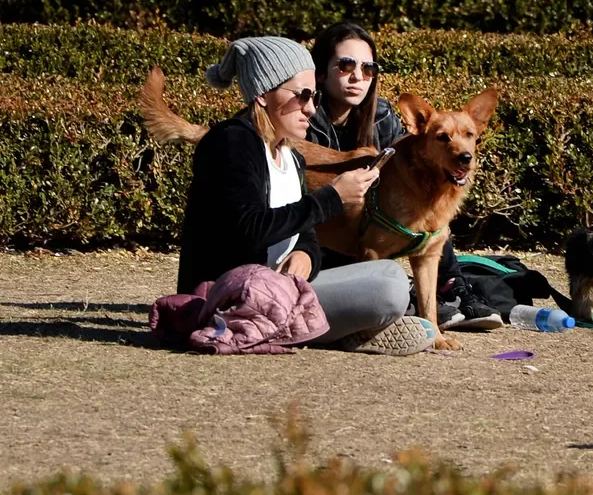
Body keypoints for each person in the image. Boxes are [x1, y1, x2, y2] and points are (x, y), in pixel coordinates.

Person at [176, 36, 436, 356]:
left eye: (314, 97)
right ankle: (337, 331)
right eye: (302, 96)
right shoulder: (231, 142)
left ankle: (333, 329)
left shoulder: (291, 156)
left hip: (284, 290)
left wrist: (305, 256)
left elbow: (307, 237)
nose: (311, 108)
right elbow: (247, 228)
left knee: (391, 276)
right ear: (262, 94)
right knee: (388, 289)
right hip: (228, 295)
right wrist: (332, 198)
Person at [306, 21, 503, 332]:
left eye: (368, 68)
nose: (358, 76)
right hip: (319, 245)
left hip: (374, 237)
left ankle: (451, 292)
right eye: (346, 65)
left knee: (433, 228)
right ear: (320, 72)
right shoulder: (300, 116)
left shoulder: (382, 115)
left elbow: (412, 160)